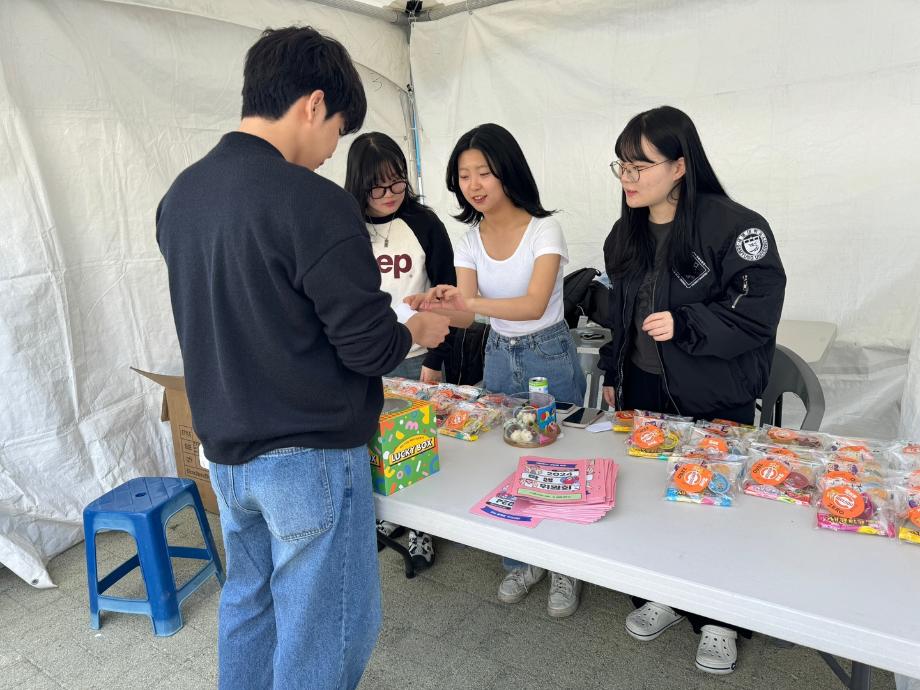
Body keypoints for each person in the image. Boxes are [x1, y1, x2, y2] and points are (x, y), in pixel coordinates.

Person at [156, 27, 449, 690]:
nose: (332, 150)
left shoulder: (182, 196)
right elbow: (368, 345)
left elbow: (249, 314)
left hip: (226, 449)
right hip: (307, 454)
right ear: (314, 104)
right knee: (325, 629)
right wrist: (418, 328)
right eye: (338, 129)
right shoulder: (313, 201)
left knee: (250, 604)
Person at [598, 105, 786, 674]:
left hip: (712, 394)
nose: (628, 178)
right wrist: (613, 372)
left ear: (680, 165)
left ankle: (719, 617)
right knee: (652, 497)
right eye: (622, 166)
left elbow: (756, 314)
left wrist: (687, 324)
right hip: (643, 388)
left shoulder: (737, 228)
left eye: (640, 166)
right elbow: (623, 316)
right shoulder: (625, 232)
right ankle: (663, 592)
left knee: (714, 501)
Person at [407, 123, 587, 618]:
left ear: (508, 171)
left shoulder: (544, 229)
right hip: (499, 353)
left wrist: (466, 302)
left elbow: (532, 305)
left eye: (483, 172)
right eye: (464, 175)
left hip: (548, 353)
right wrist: (437, 302)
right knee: (506, 460)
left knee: (559, 459)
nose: (474, 184)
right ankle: (520, 560)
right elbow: (466, 317)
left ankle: (565, 566)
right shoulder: (469, 240)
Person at [344, 131, 457, 569]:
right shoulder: (345, 226)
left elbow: (447, 293)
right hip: (364, 360)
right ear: (359, 184)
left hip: (416, 359)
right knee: (372, 446)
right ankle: (385, 517)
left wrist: (436, 361)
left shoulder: (424, 223)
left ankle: (420, 531)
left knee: (416, 447)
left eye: (397, 182)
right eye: (378, 187)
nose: (390, 194)